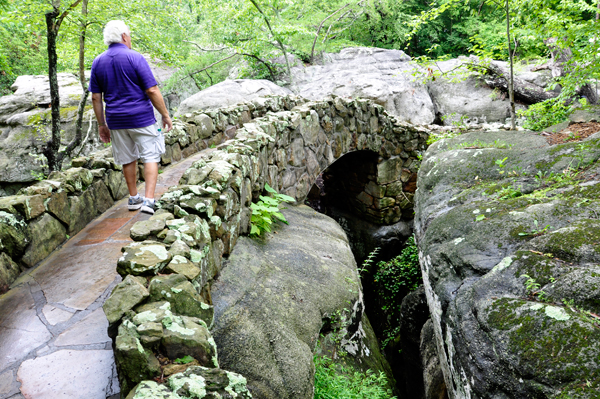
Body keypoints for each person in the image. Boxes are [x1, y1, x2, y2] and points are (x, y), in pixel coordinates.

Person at [89, 20, 172, 215]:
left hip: (116, 121)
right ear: (124, 36)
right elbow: (151, 89)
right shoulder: (135, 57)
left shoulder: (98, 61)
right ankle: (149, 201)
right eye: (130, 35)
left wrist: (102, 125)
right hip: (140, 117)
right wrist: (165, 115)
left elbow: (95, 97)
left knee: (127, 159)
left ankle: (134, 198)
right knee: (150, 156)